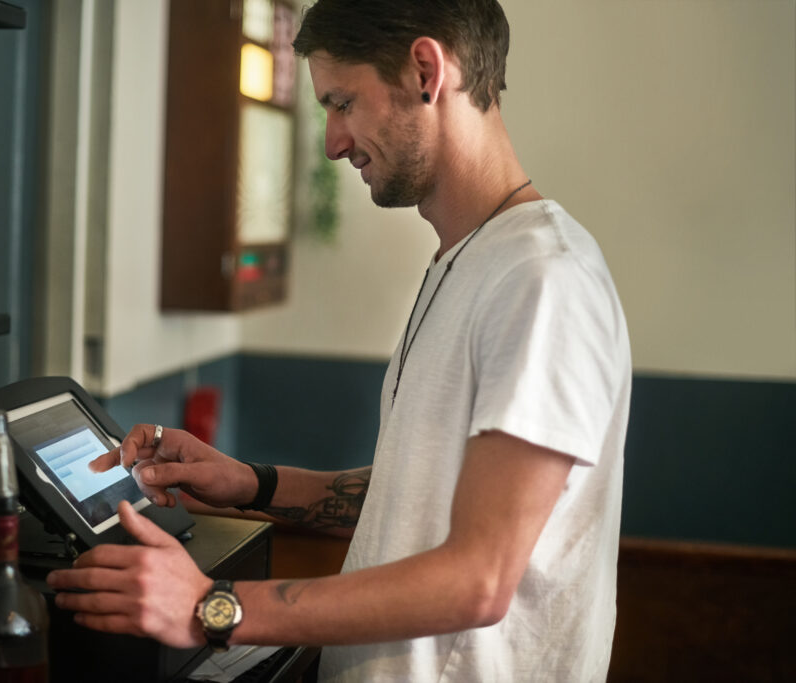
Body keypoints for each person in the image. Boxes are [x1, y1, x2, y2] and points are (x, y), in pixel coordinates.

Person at [46, 1, 631, 680]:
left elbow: (479, 578)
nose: (332, 141)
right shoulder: (469, 260)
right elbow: (421, 498)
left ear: (424, 70)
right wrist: (251, 484)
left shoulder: (541, 279)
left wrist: (214, 605)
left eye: (342, 102)